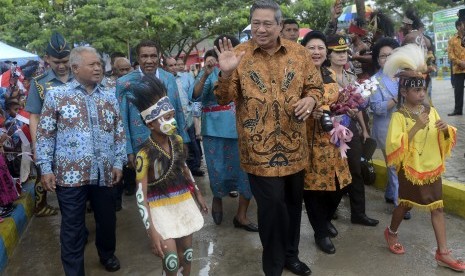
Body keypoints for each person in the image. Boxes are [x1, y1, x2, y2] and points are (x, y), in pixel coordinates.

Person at [214, 1, 323, 275]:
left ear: (278, 25)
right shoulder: (239, 54)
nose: (260, 29)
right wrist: (226, 72)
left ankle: (291, 255)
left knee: (292, 205)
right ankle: (273, 264)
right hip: (258, 152)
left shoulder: (299, 53)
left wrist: (310, 99)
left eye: (267, 23)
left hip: (294, 148)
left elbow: (315, 87)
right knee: (272, 206)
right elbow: (223, 97)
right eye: (256, 24)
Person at [36, 46, 126, 275]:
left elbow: (118, 132)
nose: (98, 68)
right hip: (70, 175)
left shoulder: (108, 95)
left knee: (107, 221)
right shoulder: (57, 96)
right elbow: (45, 135)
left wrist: (118, 162)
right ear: (75, 68)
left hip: (104, 172)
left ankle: (107, 254)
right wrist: (45, 168)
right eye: (92, 64)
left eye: (99, 64)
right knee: (73, 228)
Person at [383, 44, 465, 272]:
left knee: (437, 208)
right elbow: (393, 145)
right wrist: (415, 128)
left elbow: (446, 138)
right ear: (403, 93)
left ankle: (443, 252)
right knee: (405, 205)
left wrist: (446, 129)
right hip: (411, 169)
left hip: (432, 167)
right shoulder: (399, 116)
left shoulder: (432, 111)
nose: (421, 94)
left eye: (423, 90)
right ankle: (391, 232)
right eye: (416, 91)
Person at [128, 75, 207, 276]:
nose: (171, 121)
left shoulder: (178, 141)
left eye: (171, 115)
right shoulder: (143, 154)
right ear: (150, 124)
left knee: (187, 255)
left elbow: (184, 168)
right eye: (164, 118)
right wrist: (151, 231)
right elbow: (140, 196)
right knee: (171, 261)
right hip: (159, 207)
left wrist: (196, 193)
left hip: (181, 200)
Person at [193, 35, 258, 232]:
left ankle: (242, 215)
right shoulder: (211, 70)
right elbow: (195, 96)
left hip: (245, 128)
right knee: (217, 170)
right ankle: (218, 199)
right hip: (214, 130)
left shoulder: (249, 67)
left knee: (246, 172)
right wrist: (205, 73)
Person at [300, 31, 352, 255]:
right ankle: (320, 231)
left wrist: (346, 104)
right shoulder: (298, 75)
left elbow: (336, 100)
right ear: (303, 50)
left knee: (341, 184)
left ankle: (324, 219)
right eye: (311, 47)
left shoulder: (328, 73)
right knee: (313, 190)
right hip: (309, 141)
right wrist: (313, 113)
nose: (317, 52)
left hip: (333, 139)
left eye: (321, 48)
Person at [116, 40, 190, 188]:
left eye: (153, 56)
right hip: (141, 145)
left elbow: (178, 109)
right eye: (144, 56)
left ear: (159, 56)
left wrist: (184, 139)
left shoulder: (169, 78)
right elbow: (121, 119)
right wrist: (128, 150)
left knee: (175, 184)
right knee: (147, 189)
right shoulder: (124, 83)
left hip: (170, 142)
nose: (149, 60)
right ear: (137, 57)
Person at [327, 34, 379, 227]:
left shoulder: (350, 76)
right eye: (336, 52)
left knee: (355, 169)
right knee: (334, 171)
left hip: (350, 127)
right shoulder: (323, 76)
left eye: (344, 52)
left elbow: (356, 105)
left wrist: (364, 129)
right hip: (330, 129)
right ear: (329, 54)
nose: (341, 56)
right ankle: (327, 213)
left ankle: (358, 213)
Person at [25, 31, 73, 217]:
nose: (61, 66)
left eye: (65, 61)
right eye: (56, 62)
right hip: (54, 146)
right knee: (64, 190)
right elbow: (34, 117)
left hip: (82, 144)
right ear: (47, 59)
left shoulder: (80, 78)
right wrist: (37, 147)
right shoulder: (39, 84)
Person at [369, 38, 412, 220]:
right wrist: (397, 99)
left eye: (391, 54)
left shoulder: (408, 75)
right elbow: (376, 108)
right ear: (378, 60)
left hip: (408, 128)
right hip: (386, 129)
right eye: (383, 56)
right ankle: (399, 202)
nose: (387, 58)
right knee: (395, 165)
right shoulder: (374, 81)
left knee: (401, 164)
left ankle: (389, 192)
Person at [164, 57, 204, 176]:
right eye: (170, 65)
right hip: (170, 120)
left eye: (175, 64)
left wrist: (194, 115)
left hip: (188, 118)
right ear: (165, 67)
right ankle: (177, 170)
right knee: (173, 146)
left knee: (192, 145)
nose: (174, 67)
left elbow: (194, 96)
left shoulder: (187, 77)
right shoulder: (163, 79)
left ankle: (194, 168)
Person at [448, 16, 465, 116]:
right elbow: (450, 54)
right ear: (459, 27)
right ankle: (458, 110)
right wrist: (460, 62)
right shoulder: (452, 40)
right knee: (458, 91)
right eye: (463, 24)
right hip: (458, 69)